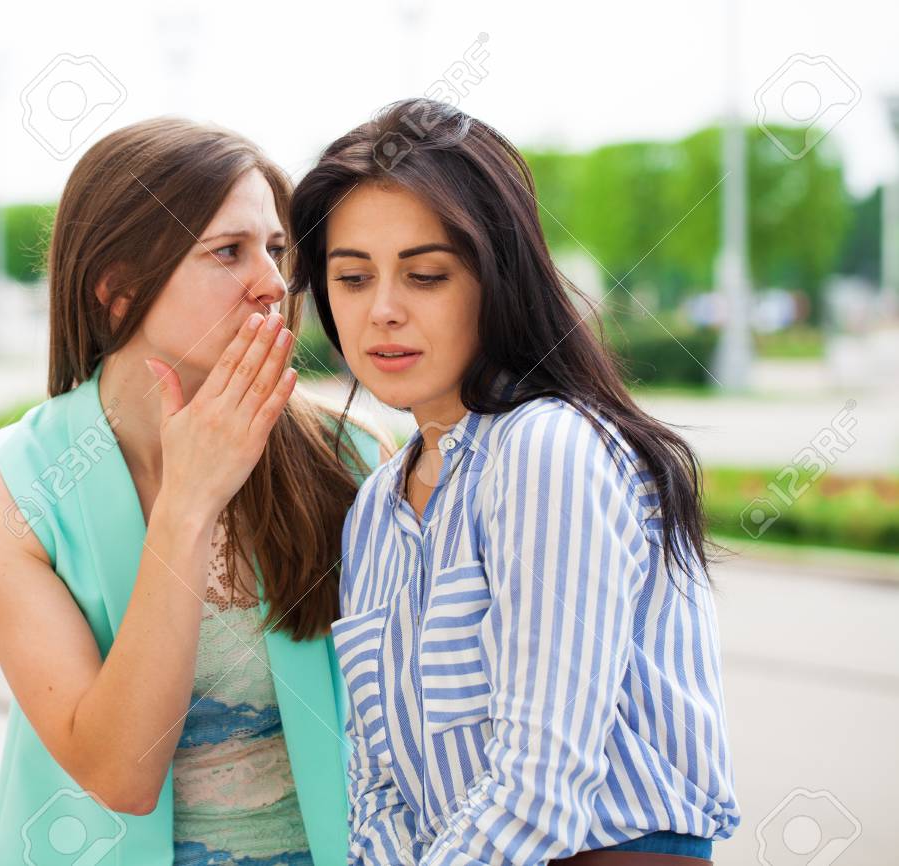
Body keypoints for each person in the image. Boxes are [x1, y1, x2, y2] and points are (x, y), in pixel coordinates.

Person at [289, 99, 740, 865]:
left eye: (426, 275)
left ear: (497, 276)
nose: (383, 310)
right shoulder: (375, 509)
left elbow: (538, 787)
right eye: (353, 277)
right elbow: (379, 788)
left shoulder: (546, 449)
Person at [0, 117, 391, 866]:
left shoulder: (355, 456)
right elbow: (120, 773)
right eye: (228, 251)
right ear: (119, 290)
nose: (273, 284)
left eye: (276, 250)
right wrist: (188, 503)